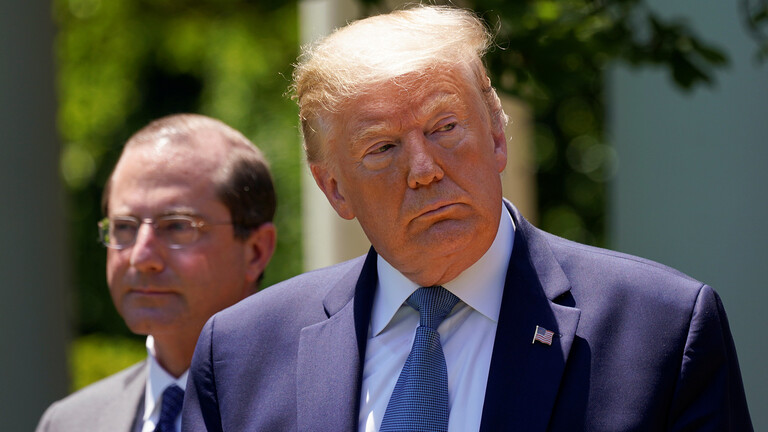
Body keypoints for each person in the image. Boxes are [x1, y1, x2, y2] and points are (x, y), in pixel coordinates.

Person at [182, 6, 752, 432]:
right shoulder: (240, 356)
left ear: (497, 135)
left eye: (445, 127)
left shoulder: (661, 329)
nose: (424, 169)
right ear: (334, 187)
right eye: (382, 148)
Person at [36, 114, 277, 432]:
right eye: (124, 227)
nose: (141, 257)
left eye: (177, 226)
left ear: (256, 251)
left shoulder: (320, 409)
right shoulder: (69, 424)